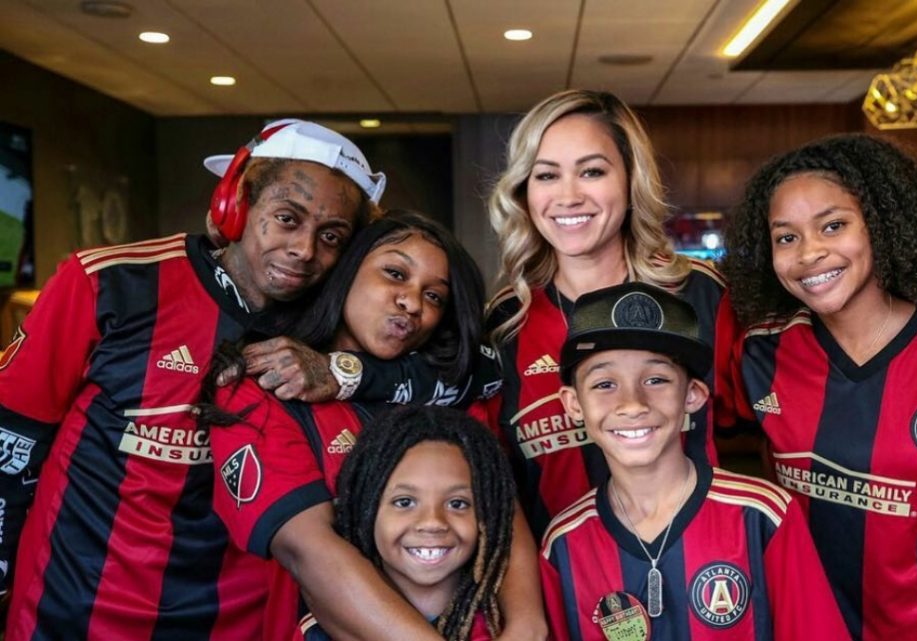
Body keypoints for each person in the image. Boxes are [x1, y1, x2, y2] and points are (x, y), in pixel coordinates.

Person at [0, 118, 384, 639]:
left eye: (331, 236)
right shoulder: (107, 283)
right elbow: (10, 440)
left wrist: (343, 370)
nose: (304, 249)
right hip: (73, 613)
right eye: (287, 218)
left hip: (238, 625)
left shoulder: (338, 332)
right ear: (237, 205)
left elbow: (456, 372)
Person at [720, 133, 917, 641]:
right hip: (807, 626)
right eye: (786, 237)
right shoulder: (761, 353)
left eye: (833, 226)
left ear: (881, 226)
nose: (810, 253)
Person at [203, 211, 544, 641]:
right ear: (347, 271)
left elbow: (498, 509)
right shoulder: (263, 387)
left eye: (435, 296)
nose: (412, 302)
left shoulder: (450, 394)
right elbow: (310, 552)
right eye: (395, 273)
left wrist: (527, 623)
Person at [485, 89, 738, 539]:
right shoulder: (504, 321)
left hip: (706, 577)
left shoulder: (698, 294)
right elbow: (496, 485)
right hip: (560, 588)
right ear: (524, 192)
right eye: (546, 175)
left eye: (592, 171)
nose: (568, 196)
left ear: (630, 179)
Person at [540, 282, 849, 640]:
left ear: (693, 395)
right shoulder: (562, 544)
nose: (633, 404)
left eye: (656, 379)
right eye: (604, 384)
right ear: (573, 404)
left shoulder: (763, 517)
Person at [295, 404, 517, 641]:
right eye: (404, 502)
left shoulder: (508, 626)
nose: (432, 522)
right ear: (366, 510)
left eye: (457, 504)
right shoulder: (320, 631)